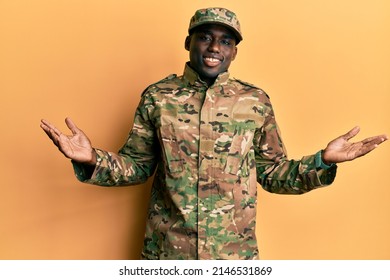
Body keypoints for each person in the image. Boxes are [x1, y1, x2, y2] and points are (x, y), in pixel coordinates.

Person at [40, 7, 388, 260]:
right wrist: (91, 158)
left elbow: (272, 174)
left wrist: (323, 161)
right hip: (167, 255)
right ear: (188, 41)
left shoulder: (255, 101)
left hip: (233, 257)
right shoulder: (158, 97)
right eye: (205, 37)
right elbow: (137, 166)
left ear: (234, 51)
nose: (214, 47)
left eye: (225, 41)